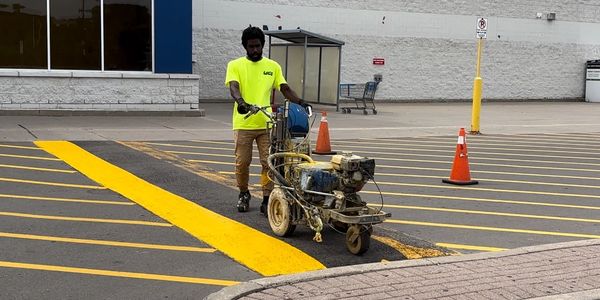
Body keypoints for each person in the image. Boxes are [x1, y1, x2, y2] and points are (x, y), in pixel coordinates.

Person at [225, 26, 310, 215]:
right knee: (242, 163)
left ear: (262, 45)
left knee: (268, 162)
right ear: (244, 47)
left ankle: (266, 197)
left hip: (266, 124)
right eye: (250, 47)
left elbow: (285, 88)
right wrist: (241, 102)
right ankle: (244, 193)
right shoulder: (235, 65)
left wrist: (301, 102)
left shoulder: (272, 66)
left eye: (257, 46)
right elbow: (233, 86)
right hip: (243, 123)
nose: (255, 50)